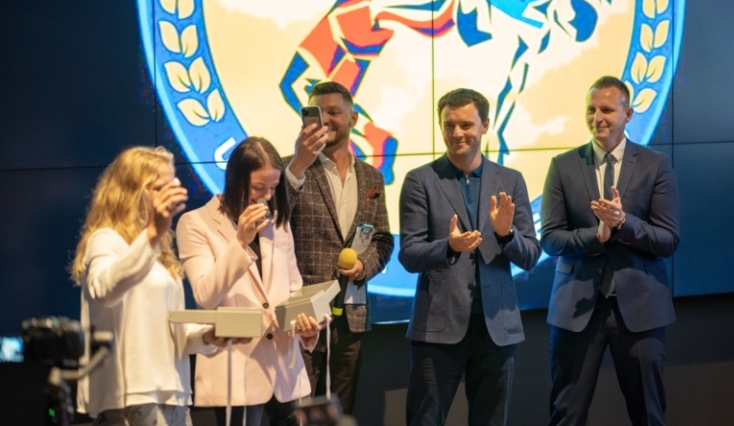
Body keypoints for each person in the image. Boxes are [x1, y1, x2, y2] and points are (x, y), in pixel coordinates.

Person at [541, 75, 680, 426]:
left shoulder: (655, 165)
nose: (597, 118)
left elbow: (668, 240)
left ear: (628, 114)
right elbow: (551, 239)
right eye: (591, 110)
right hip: (576, 309)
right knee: (566, 414)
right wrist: (597, 236)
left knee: (648, 414)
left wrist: (623, 223)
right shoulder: (563, 165)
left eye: (606, 110)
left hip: (640, 309)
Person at [398, 88, 541, 426]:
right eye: (448, 125)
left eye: (465, 125)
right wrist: (449, 247)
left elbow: (531, 255)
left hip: (497, 327)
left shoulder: (510, 180)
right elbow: (409, 255)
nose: (456, 133)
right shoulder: (420, 180)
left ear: (485, 125)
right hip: (438, 327)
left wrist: (506, 235)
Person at [71, 146, 231, 426]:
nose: (170, 195)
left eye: (172, 185)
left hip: (173, 395)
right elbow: (104, 290)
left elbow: (165, 328)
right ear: (131, 192)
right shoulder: (106, 240)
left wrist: (205, 337)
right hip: (133, 396)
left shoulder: (157, 250)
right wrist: (153, 233)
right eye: (160, 188)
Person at [176, 137, 322, 426]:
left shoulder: (278, 222)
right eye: (258, 188)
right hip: (236, 368)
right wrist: (240, 242)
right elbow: (205, 295)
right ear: (235, 180)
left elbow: (293, 290)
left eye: (273, 188)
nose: (266, 196)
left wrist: (305, 323)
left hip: (284, 365)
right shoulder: (195, 223)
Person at [284, 81, 394, 415]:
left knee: (340, 411)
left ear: (353, 118)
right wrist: (298, 165)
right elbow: (273, 222)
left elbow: (383, 238)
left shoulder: (372, 177)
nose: (326, 120)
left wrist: (363, 267)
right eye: (317, 114)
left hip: (352, 314)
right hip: (302, 314)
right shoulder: (290, 168)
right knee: (296, 412)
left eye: (334, 112)